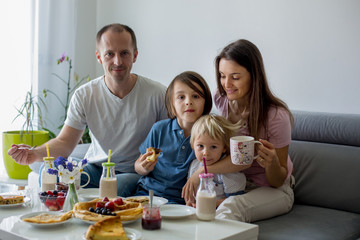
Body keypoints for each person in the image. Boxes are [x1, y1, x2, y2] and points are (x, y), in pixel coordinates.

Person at [7, 23, 168, 197]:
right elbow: (65, 142)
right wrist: (33, 154)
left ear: (135, 55)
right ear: (99, 57)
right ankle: (57, 217)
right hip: (94, 168)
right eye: (109, 54)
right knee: (50, 169)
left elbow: (171, 143)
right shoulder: (85, 95)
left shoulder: (158, 94)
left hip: (131, 173)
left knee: (115, 186)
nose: (117, 61)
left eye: (124, 53)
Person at [182, 39, 294, 222]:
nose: (226, 84)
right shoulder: (221, 99)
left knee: (230, 208)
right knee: (201, 207)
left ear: (253, 76)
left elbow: (278, 180)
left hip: (272, 190)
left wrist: (272, 162)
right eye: (222, 75)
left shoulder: (276, 117)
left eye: (235, 77)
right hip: (234, 184)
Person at [133, 71, 212, 204]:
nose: (188, 102)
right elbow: (138, 166)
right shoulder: (159, 129)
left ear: (206, 102)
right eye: (181, 97)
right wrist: (143, 167)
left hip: (180, 201)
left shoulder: (210, 134)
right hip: (147, 193)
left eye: (196, 96)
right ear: (172, 104)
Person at [188, 114, 246, 207]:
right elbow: (190, 194)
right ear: (192, 145)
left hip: (221, 211)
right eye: (200, 146)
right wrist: (190, 203)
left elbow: (235, 200)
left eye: (213, 147)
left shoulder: (229, 172)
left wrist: (211, 203)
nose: (205, 153)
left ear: (224, 147)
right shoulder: (194, 165)